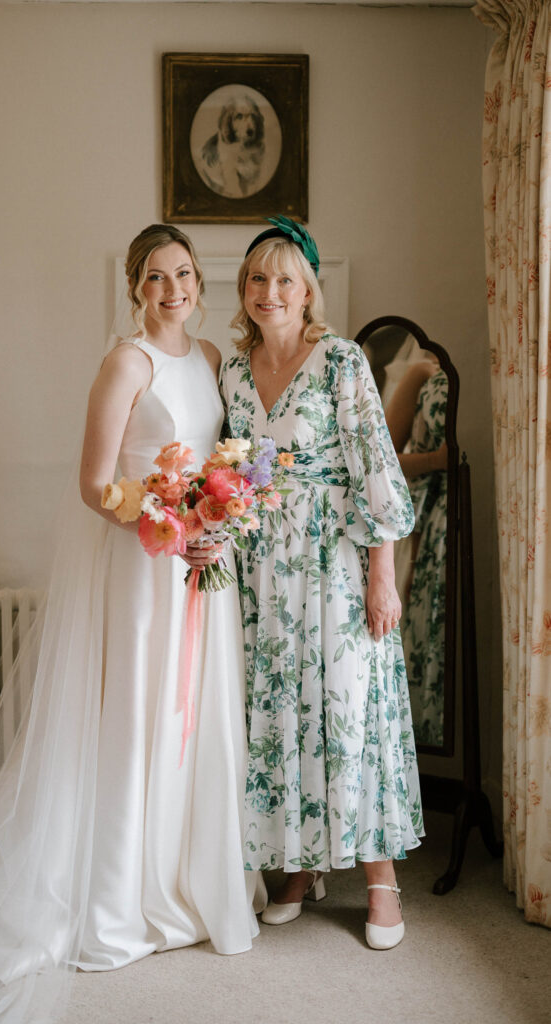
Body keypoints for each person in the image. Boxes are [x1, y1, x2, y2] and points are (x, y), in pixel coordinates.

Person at [0, 224, 261, 1023]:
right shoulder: (125, 362)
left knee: (192, 722)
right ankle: (116, 899)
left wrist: (220, 517)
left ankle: (186, 885)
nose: (173, 289)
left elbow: (224, 458)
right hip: (142, 566)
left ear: (198, 282)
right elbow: (93, 483)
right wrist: (175, 522)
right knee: (135, 720)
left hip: (200, 573)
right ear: (134, 287)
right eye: (156, 277)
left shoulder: (215, 359)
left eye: (183, 274)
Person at [220, 216, 425, 951]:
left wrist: (381, 576)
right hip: (263, 571)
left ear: (307, 291)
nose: (268, 292)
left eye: (283, 279)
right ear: (242, 292)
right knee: (280, 715)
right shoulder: (233, 372)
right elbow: (236, 471)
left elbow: (375, 466)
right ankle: (300, 870)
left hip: (336, 561)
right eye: (255, 279)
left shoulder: (339, 361)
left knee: (347, 713)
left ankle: (379, 881)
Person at [384, 358, 449, 747]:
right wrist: (437, 462)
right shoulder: (422, 371)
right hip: (423, 511)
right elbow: (382, 459)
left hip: (452, 511)